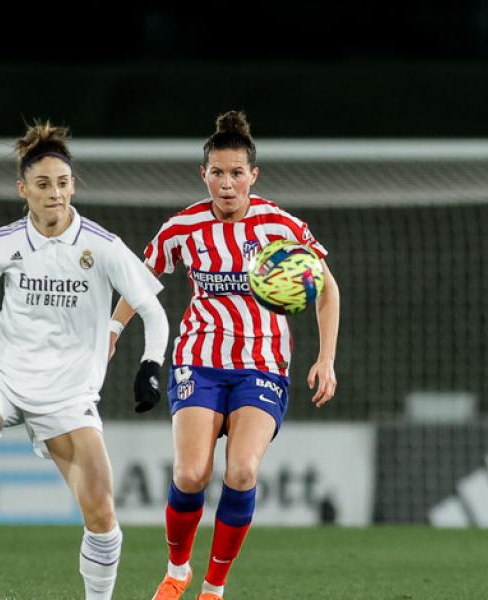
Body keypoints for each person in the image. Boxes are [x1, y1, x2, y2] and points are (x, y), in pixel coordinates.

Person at [0, 122, 169, 600]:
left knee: (102, 515)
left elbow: (153, 310)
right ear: (23, 189)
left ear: (73, 186)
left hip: (68, 396)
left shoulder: (101, 245)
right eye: (43, 184)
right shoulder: (6, 241)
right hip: (1, 378)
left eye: (62, 183)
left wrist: (150, 365)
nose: (55, 193)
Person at [110, 110, 341, 600]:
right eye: (218, 172)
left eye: (237, 172)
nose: (227, 183)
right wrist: (112, 331)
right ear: (204, 175)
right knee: (191, 473)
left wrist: (326, 358)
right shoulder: (184, 226)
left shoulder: (279, 225)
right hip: (199, 358)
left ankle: (213, 588)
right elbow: (142, 281)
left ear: (253, 175)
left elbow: (327, 288)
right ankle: (177, 571)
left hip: (262, 364)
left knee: (242, 471)